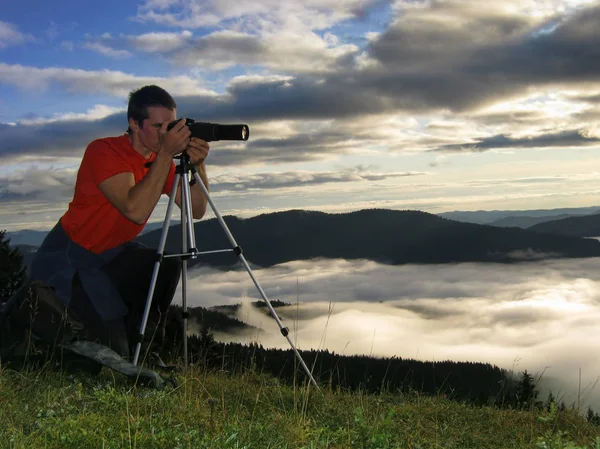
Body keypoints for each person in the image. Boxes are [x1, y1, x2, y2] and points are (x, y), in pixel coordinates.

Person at [29, 85, 210, 359]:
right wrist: (164, 157)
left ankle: (141, 342)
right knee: (103, 357)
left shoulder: (161, 162)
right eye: (157, 125)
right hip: (68, 257)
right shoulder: (104, 151)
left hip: (111, 252)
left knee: (166, 266)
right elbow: (134, 209)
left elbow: (197, 209)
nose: (165, 134)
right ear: (134, 124)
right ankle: (114, 342)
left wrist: (197, 164)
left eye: (169, 125)